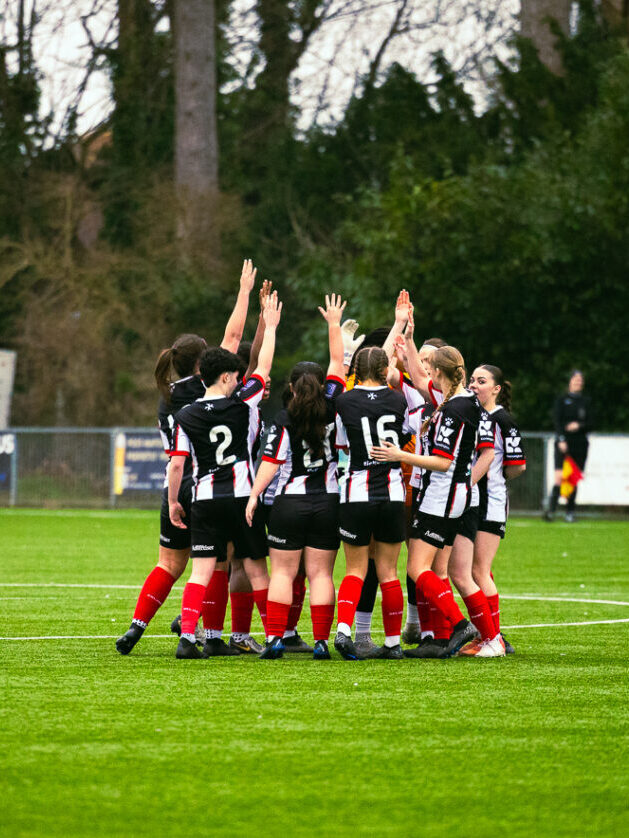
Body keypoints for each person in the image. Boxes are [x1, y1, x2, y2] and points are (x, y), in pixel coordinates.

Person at [115, 260, 258, 655]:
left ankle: (136, 627)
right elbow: (234, 335)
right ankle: (209, 635)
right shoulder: (204, 387)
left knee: (169, 564)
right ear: (202, 364)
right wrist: (244, 291)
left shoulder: (167, 396)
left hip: (172, 488)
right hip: (207, 486)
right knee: (217, 563)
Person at [167, 293, 282, 659]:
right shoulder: (244, 402)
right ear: (227, 376)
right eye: (234, 376)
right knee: (256, 570)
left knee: (201, 572)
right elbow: (264, 364)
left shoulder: (185, 414)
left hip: (204, 499)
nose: (237, 380)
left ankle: (188, 638)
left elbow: (176, 465)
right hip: (242, 498)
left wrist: (173, 501)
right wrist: (271, 326)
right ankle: (274, 638)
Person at [245, 294, 347, 660]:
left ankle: (275, 639)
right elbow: (337, 362)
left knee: (283, 574)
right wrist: (333, 324)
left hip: (289, 503)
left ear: (291, 387)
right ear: (322, 385)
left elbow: (271, 462)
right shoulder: (334, 406)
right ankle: (320, 642)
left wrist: (254, 495)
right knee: (321, 575)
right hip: (328, 502)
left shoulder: (284, 418)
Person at [371, 346, 483, 659]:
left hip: (442, 495)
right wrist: (407, 339)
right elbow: (417, 381)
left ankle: (461, 625)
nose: (424, 371)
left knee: (417, 568)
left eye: (428, 366)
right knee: (434, 569)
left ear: (437, 372)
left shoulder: (454, 409)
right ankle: (441, 639)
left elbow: (443, 462)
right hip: (447, 494)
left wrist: (400, 455)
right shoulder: (457, 400)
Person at [333, 345, 416, 660]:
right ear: (385, 371)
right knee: (389, 572)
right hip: (392, 491)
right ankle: (393, 643)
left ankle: (344, 630)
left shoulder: (344, 400)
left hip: (357, 491)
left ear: (356, 370)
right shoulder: (398, 398)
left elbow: (342, 443)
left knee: (355, 569)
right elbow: (408, 432)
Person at [459, 364, 526, 656]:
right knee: (473, 570)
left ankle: (493, 638)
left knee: (478, 570)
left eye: (482, 381)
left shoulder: (502, 420)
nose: (474, 385)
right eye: (472, 380)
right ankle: (487, 634)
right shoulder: (472, 414)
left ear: (496, 389)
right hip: (472, 499)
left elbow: (518, 466)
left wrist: (494, 477)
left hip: (490, 501)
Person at [545, 370, 592, 523]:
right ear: (570, 381)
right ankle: (551, 511)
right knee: (559, 477)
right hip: (563, 443)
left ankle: (570, 512)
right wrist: (561, 439)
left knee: (573, 478)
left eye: (580, 380)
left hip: (580, 444)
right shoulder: (562, 400)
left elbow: (592, 422)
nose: (578, 382)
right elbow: (557, 421)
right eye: (576, 379)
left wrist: (579, 425)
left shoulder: (586, 401)